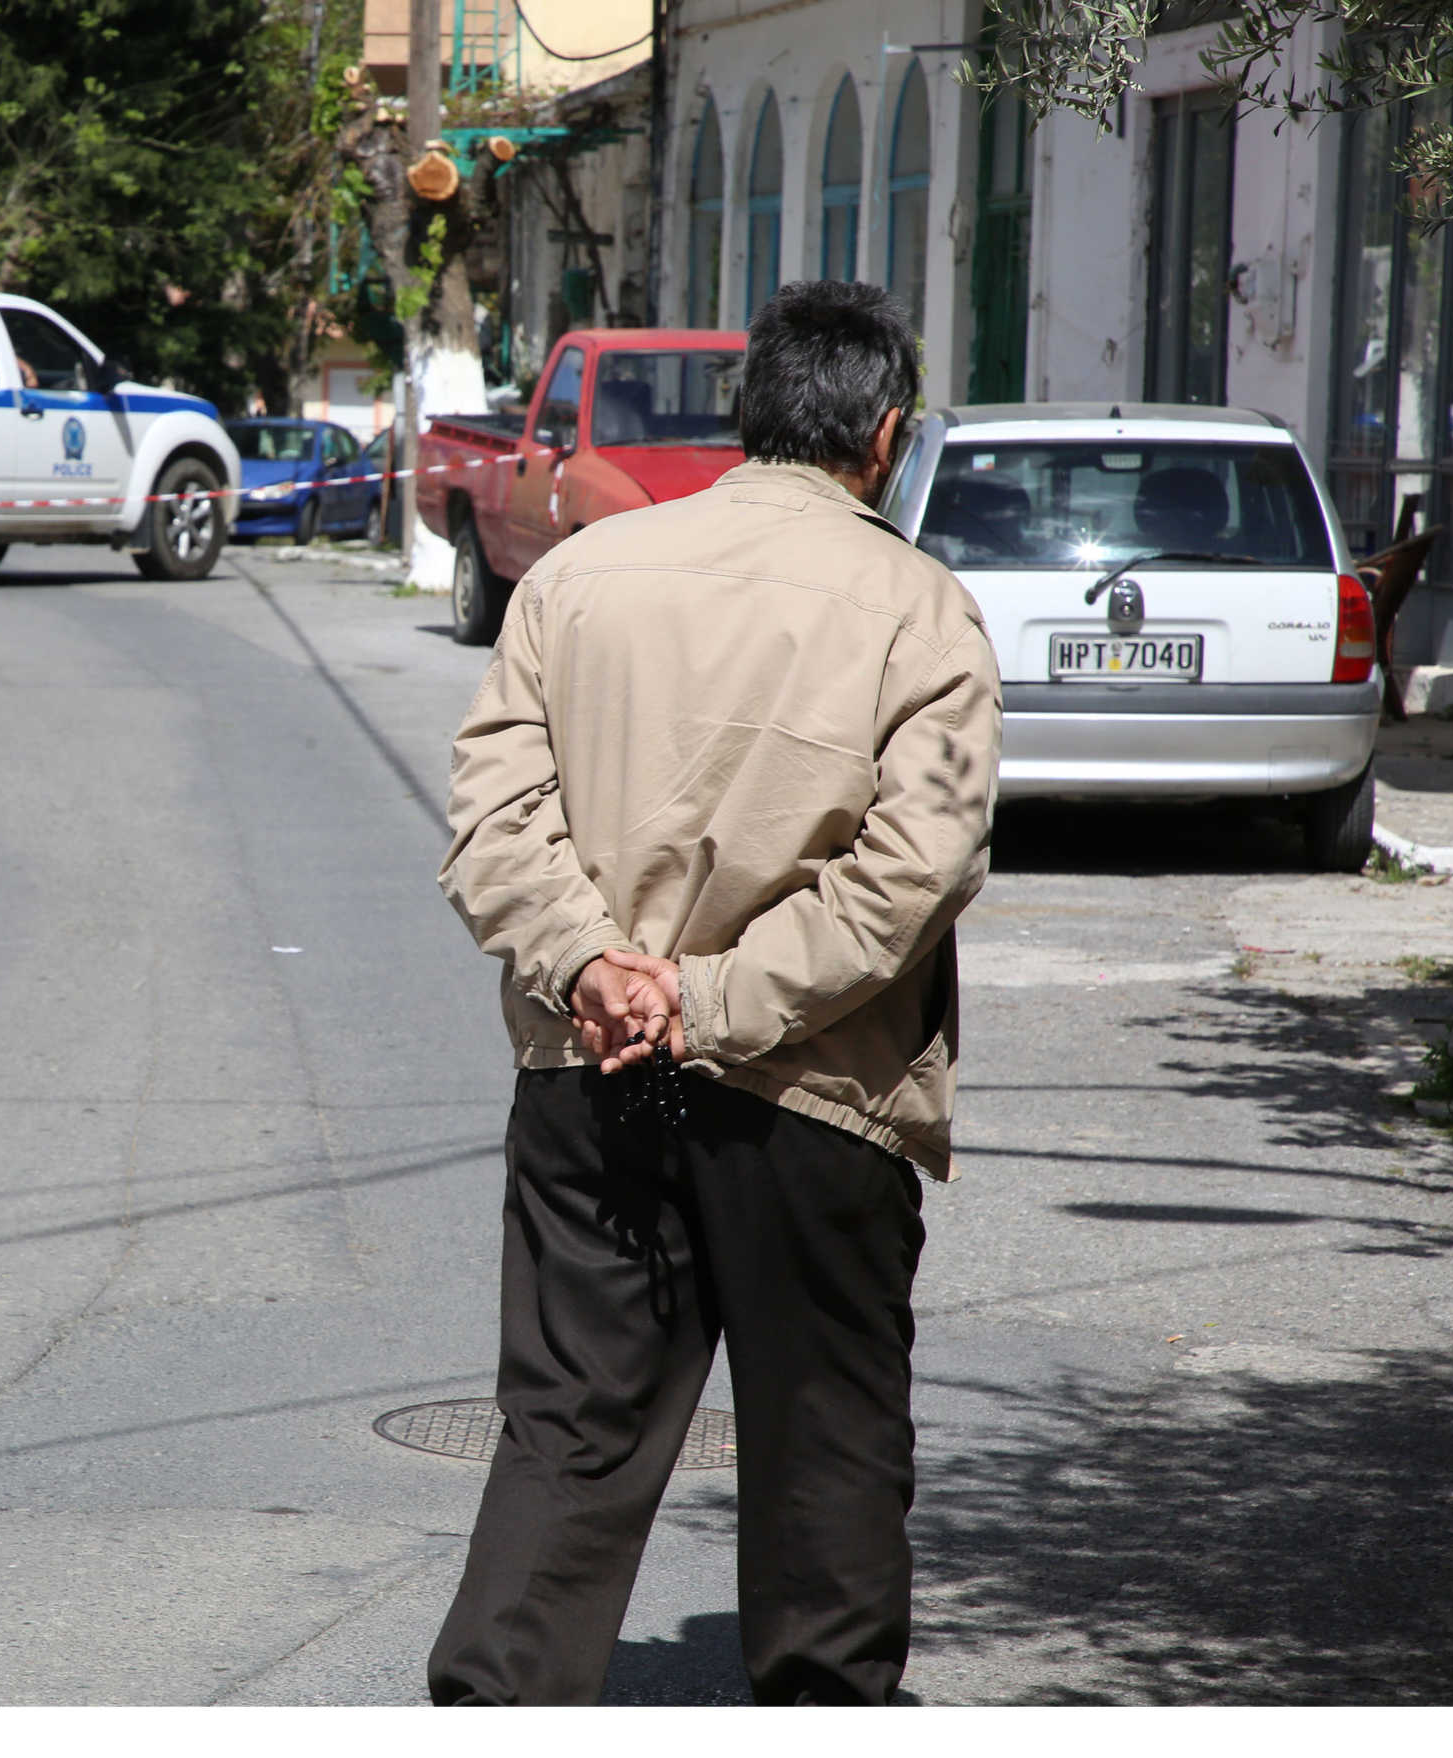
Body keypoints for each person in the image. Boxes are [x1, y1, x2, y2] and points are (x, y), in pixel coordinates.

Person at [429, 280, 1002, 1707]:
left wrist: (598, 968)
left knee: (568, 1430)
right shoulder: (922, 611)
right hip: (815, 1096)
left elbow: (492, 820)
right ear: (883, 437)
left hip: (590, 1072)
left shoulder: (579, 577)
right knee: (826, 1445)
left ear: (752, 415)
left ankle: (496, 1706)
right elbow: (911, 875)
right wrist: (712, 998)